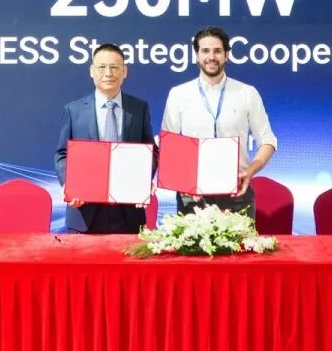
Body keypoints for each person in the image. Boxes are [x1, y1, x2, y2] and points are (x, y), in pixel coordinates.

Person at [161, 26, 277, 218]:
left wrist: (250, 171)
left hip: (237, 191)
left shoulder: (247, 93)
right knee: (193, 240)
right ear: (196, 55)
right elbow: (169, 144)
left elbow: (268, 141)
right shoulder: (179, 94)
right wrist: (181, 181)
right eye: (205, 51)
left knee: (240, 240)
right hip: (192, 195)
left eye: (217, 51)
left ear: (227, 55)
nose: (211, 57)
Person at [54, 43, 156, 234]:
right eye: (101, 67)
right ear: (92, 71)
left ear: (125, 71)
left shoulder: (139, 108)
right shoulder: (74, 110)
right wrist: (69, 184)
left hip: (129, 211)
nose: (108, 73)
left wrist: (142, 179)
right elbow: (62, 154)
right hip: (83, 211)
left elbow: (151, 151)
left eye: (115, 67)